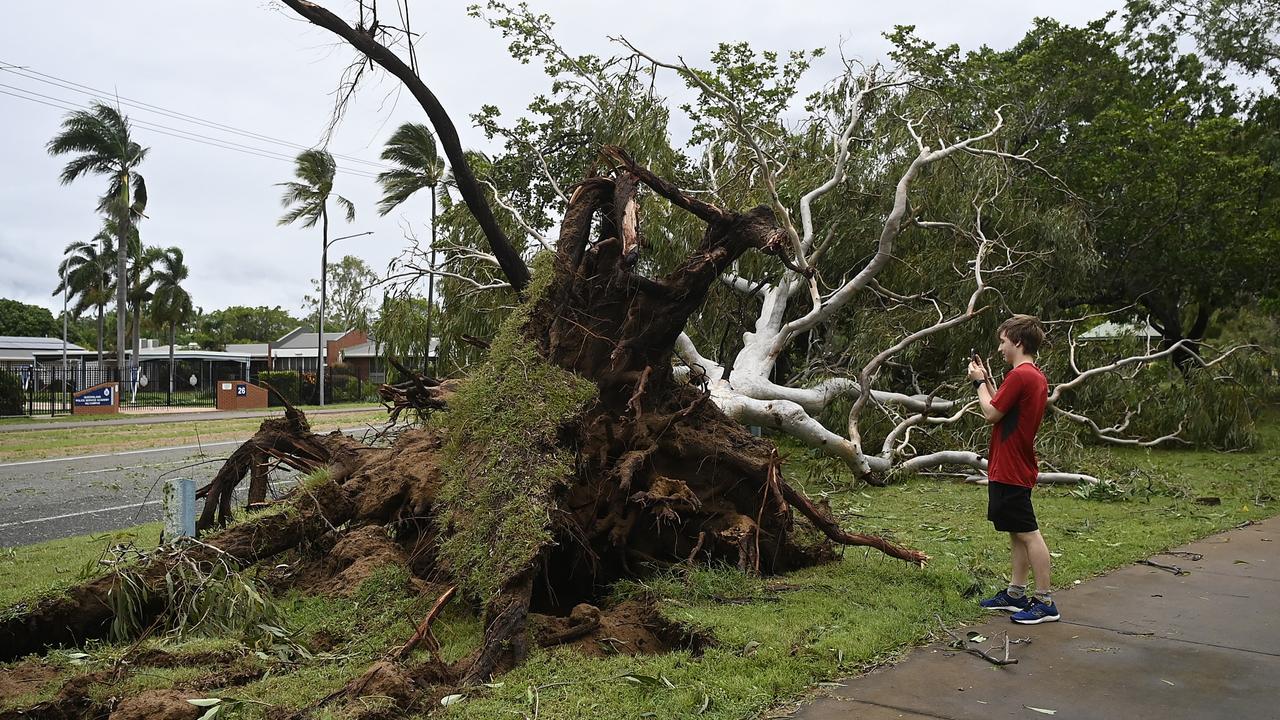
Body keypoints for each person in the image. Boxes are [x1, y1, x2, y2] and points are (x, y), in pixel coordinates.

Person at [968, 314, 1058, 624]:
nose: (999, 349)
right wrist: (991, 381)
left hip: (1011, 466)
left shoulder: (1021, 376)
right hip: (1014, 463)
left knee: (1029, 534)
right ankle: (1016, 593)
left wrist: (979, 383)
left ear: (1018, 342)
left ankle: (1045, 602)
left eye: (1003, 342)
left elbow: (991, 412)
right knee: (1016, 533)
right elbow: (1005, 407)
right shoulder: (1032, 376)